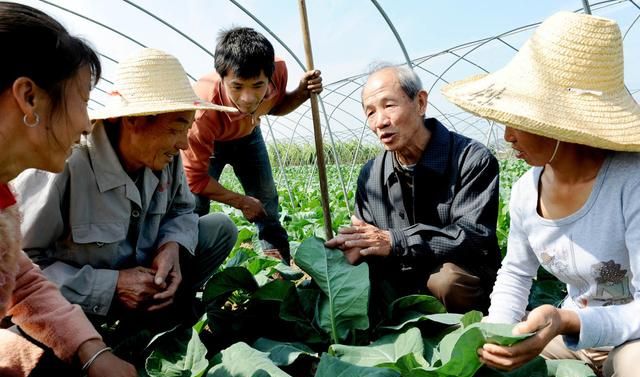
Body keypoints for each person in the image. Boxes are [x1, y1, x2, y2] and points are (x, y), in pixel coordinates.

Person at [442, 11, 640, 377]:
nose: (508, 136)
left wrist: (566, 320)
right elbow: (516, 273)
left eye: (520, 119)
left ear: (563, 123)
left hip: (631, 338)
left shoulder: (632, 181)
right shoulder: (525, 192)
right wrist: (495, 335)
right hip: (571, 337)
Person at [13, 48, 238, 356]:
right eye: (176, 128)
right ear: (134, 121)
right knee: (24, 346)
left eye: (188, 128)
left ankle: (161, 316)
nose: (184, 143)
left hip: (146, 285)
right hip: (80, 303)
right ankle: (100, 343)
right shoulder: (64, 163)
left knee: (220, 228)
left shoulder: (165, 158)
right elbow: (21, 267)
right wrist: (110, 286)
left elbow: (183, 210)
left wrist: (170, 246)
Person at [0, 2, 136, 376]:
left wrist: (92, 352)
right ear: (29, 98)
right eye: (83, 100)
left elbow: (20, 279)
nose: (87, 124)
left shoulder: (3, 197)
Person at [325, 64, 501, 315]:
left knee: (446, 280)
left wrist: (396, 241)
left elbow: (474, 237)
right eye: (370, 112)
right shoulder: (371, 175)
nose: (380, 122)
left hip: (463, 285)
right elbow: (367, 238)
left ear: (420, 103)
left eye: (389, 105)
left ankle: (476, 335)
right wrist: (351, 249)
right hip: (401, 286)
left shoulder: (471, 159)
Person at [182, 27, 323, 264]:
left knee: (267, 201)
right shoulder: (202, 110)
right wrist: (241, 201)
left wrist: (301, 92)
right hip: (212, 145)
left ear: (268, 76)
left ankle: (278, 270)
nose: (248, 98)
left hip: (249, 137)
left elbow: (276, 106)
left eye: (257, 85)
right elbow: (195, 179)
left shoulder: (278, 70)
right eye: (237, 87)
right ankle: (189, 271)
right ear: (222, 78)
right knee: (192, 205)